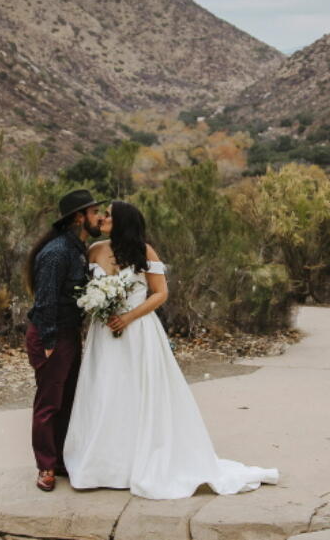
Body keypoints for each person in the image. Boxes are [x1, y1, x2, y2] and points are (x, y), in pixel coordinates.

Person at [62, 200, 279, 499]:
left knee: (140, 392)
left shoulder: (144, 251)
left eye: (109, 215)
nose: (102, 219)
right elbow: (86, 288)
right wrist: (98, 305)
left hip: (137, 331)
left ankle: (141, 461)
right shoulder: (95, 250)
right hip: (104, 333)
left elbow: (160, 293)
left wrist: (127, 316)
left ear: (123, 221)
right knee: (105, 390)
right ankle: (102, 465)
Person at [25, 188, 106, 493]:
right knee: (49, 402)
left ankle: (60, 460)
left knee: (69, 398)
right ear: (78, 217)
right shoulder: (57, 252)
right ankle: (45, 466)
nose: (99, 217)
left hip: (69, 333)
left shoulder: (77, 248)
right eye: (94, 212)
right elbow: (44, 299)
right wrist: (48, 341)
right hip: (52, 334)